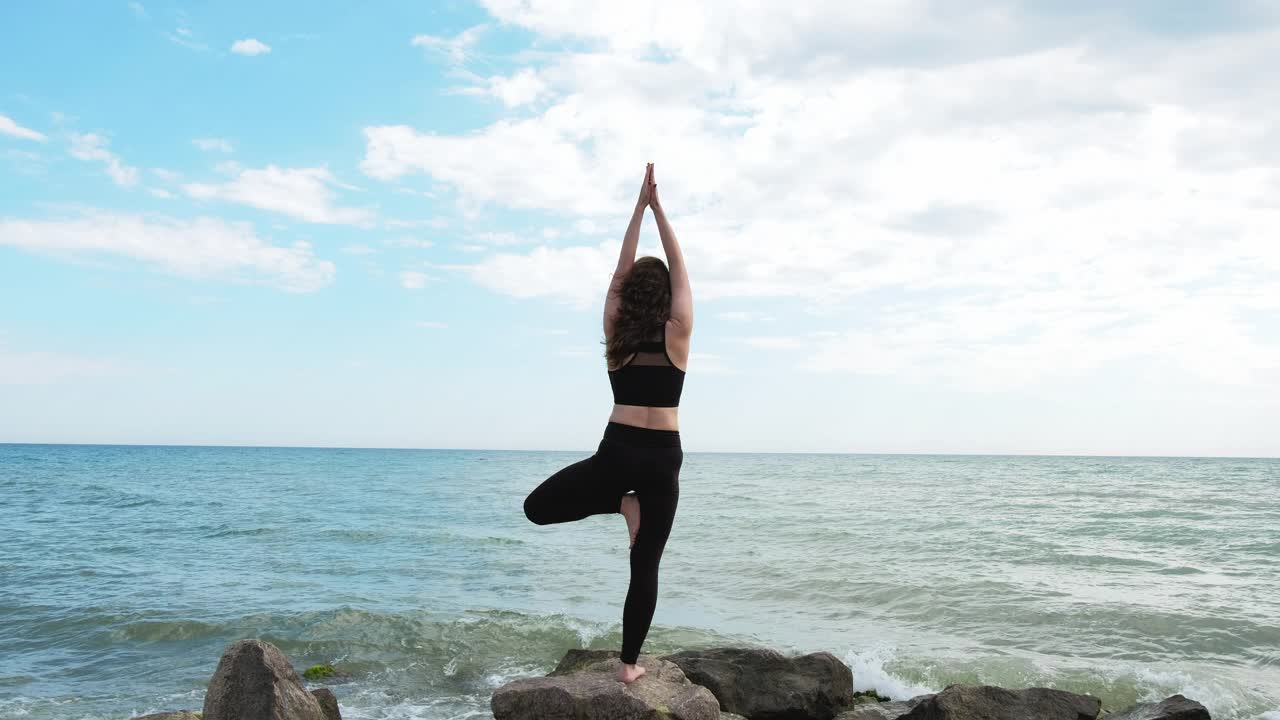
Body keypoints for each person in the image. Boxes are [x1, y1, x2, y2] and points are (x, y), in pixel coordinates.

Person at [523, 162, 692, 685]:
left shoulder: (615, 331)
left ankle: (621, 502)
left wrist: (636, 211)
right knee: (646, 566)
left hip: (617, 450)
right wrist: (659, 210)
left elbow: (619, 276)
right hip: (663, 456)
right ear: (665, 295)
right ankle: (628, 667)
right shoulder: (679, 331)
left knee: (537, 508)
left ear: (627, 296)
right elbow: (680, 269)